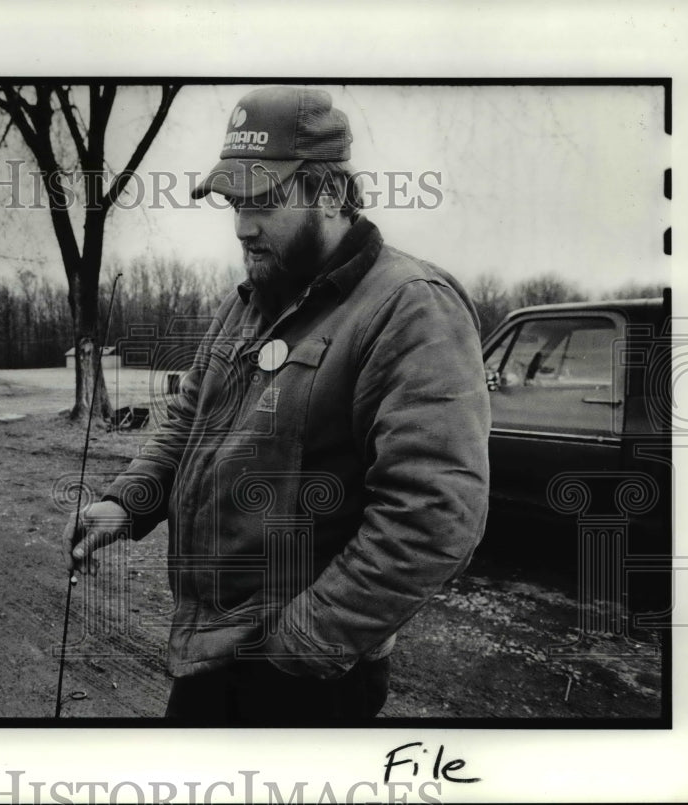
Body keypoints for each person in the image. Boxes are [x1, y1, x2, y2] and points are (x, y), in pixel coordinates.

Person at [63, 86, 491, 725]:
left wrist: (298, 644)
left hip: (303, 677)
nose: (242, 225)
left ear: (327, 193)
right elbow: (188, 424)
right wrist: (126, 503)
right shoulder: (250, 302)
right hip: (214, 651)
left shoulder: (409, 308)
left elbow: (435, 512)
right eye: (235, 203)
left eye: (261, 201)